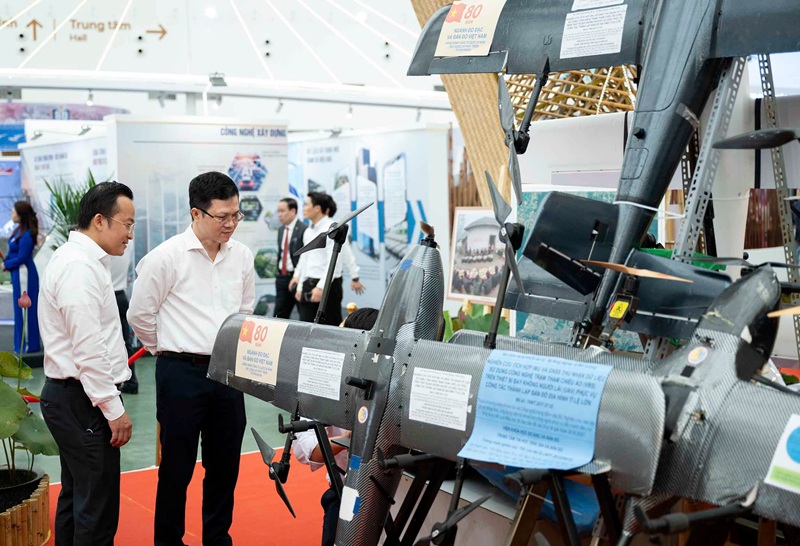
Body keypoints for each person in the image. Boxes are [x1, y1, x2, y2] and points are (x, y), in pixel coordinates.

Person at [127, 171, 255, 546]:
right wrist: (165, 348)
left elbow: (245, 313)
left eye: (236, 214)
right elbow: (140, 315)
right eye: (222, 216)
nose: (231, 223)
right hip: (180, 373)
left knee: (225, 466)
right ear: (196, 213)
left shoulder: (241, 256)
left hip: (227, 374)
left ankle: (217, 538)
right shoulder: (165, 258)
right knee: (176, 467)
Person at [38, 182, 135, 546]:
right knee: (96, 509)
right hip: (83, 400)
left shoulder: (80, 260)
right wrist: (113, 408)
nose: (129, 234)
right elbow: (88, 348)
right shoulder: (78, 267)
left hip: (76, 397)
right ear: (99, 220)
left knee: (78, 497)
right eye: (127, 224)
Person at [294, 307, 379, 546]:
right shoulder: (324, 382)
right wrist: (351, 437)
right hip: (344, 490)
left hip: (387, 491)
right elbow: (310, 451)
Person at [292, 192, 363, 325]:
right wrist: (300, 285)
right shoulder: (308, 231)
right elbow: (305, 258)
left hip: (328, 287)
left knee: (330, 328)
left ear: (317, 208)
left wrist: (321, 288)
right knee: (305, 327)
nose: (303, 208)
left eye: (306, 204)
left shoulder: (333, 229)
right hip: (308, 284)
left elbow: (335, 262)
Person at [2, 201, 41, 353]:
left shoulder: (26, 234)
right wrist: (8, 263)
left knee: (26, 310)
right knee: (19, 311)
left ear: (21, 215)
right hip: (18, 274)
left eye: (13, 212)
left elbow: (23, 257)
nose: (11, 214)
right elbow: (14, 253)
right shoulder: (19, 231)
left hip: (25, 275)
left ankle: (29, 345)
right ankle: (21, 345)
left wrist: (7, 264)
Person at [274, 197, 307, 319]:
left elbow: (305, 257)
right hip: (282, 277)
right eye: (278, 211)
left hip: (297, 278)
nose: (279, 214)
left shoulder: (304, 229)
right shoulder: (281, 230)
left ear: (293, 211)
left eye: (282, 211)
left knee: (303, 315)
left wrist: (299, 277)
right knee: (279, 315)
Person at [111, 248, 138, 394]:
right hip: (120, 296)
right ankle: (131, 381)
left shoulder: (104, 248)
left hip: (109, 296)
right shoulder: (125, 245)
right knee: (125, 342)